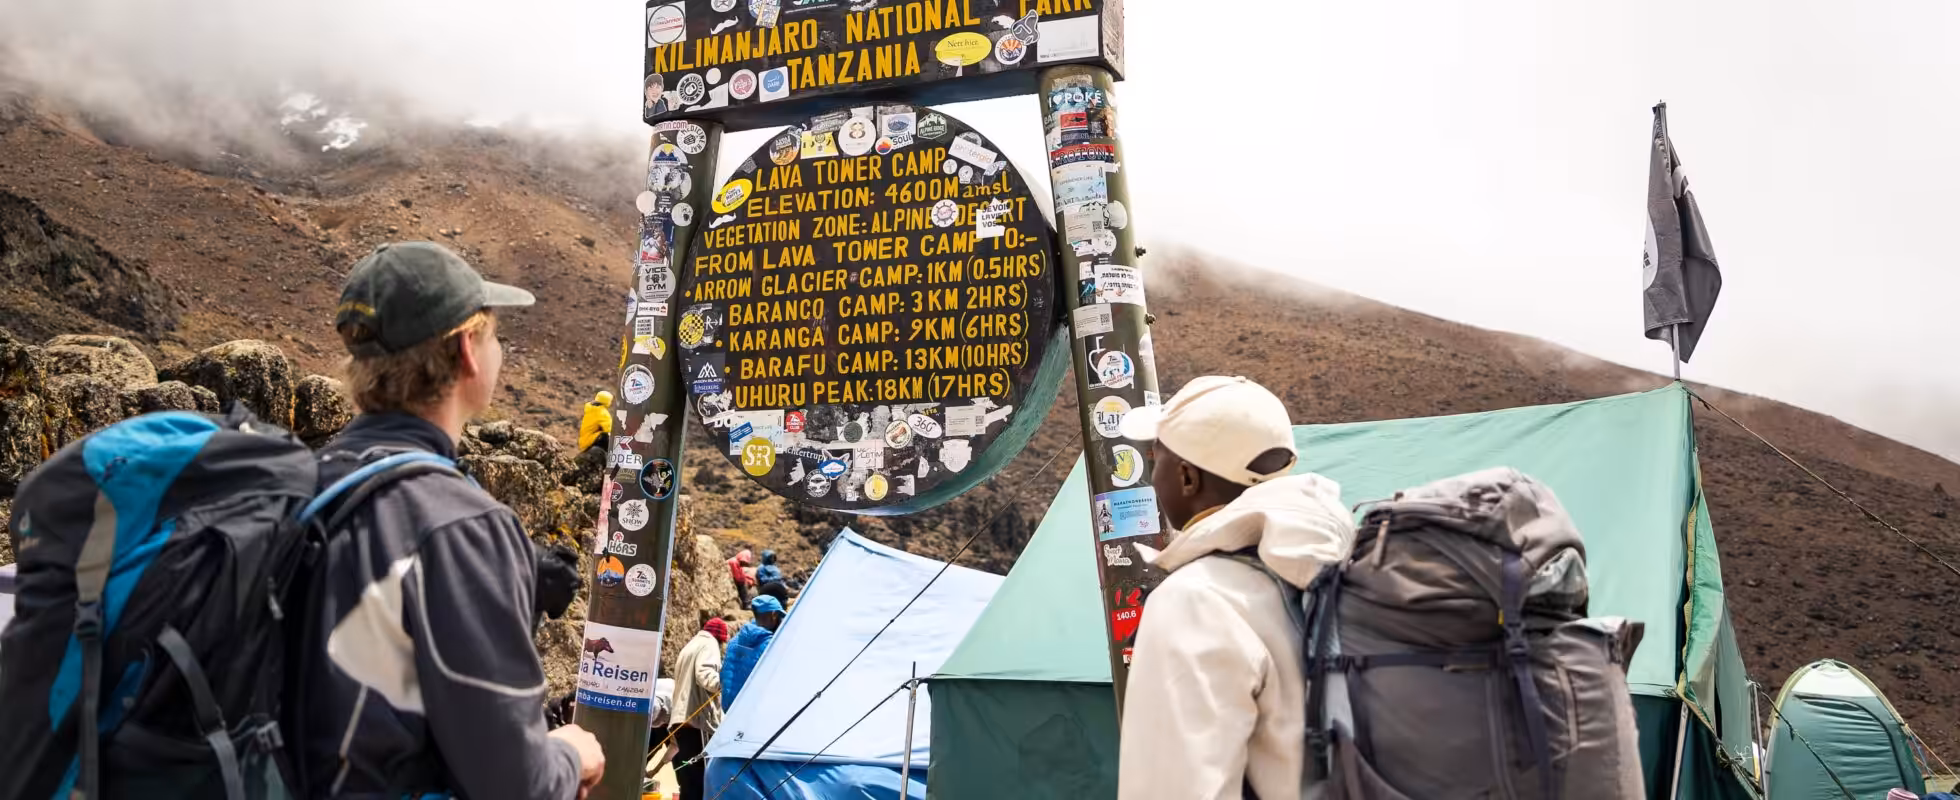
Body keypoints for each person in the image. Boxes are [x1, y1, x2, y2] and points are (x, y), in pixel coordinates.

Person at [299, 241, 604, 799]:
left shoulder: (304, 483)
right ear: (467, 351)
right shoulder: (461, 525)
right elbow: (515, 784)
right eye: (494, 335)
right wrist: (570, 755)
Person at [1114, 376, 1358, 800]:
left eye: (1157, 457)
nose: (1153, 476)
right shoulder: (1342, 570)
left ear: (1187, 477)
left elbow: (1176, 788)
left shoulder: (1195, 600)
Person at [671, 617, 728, 800]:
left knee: (689, 783)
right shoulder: (710, 645)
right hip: (697, 722)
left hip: (681, 721)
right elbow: (705, 674)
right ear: (719, 638)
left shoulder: (690, 646)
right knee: (701, 782)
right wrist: (725, 684)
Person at [721, 595, 785, 711]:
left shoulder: (733, 642)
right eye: (779, 617)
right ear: (774, 615)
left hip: (730, 711)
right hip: (753, 712)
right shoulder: (771, 645)